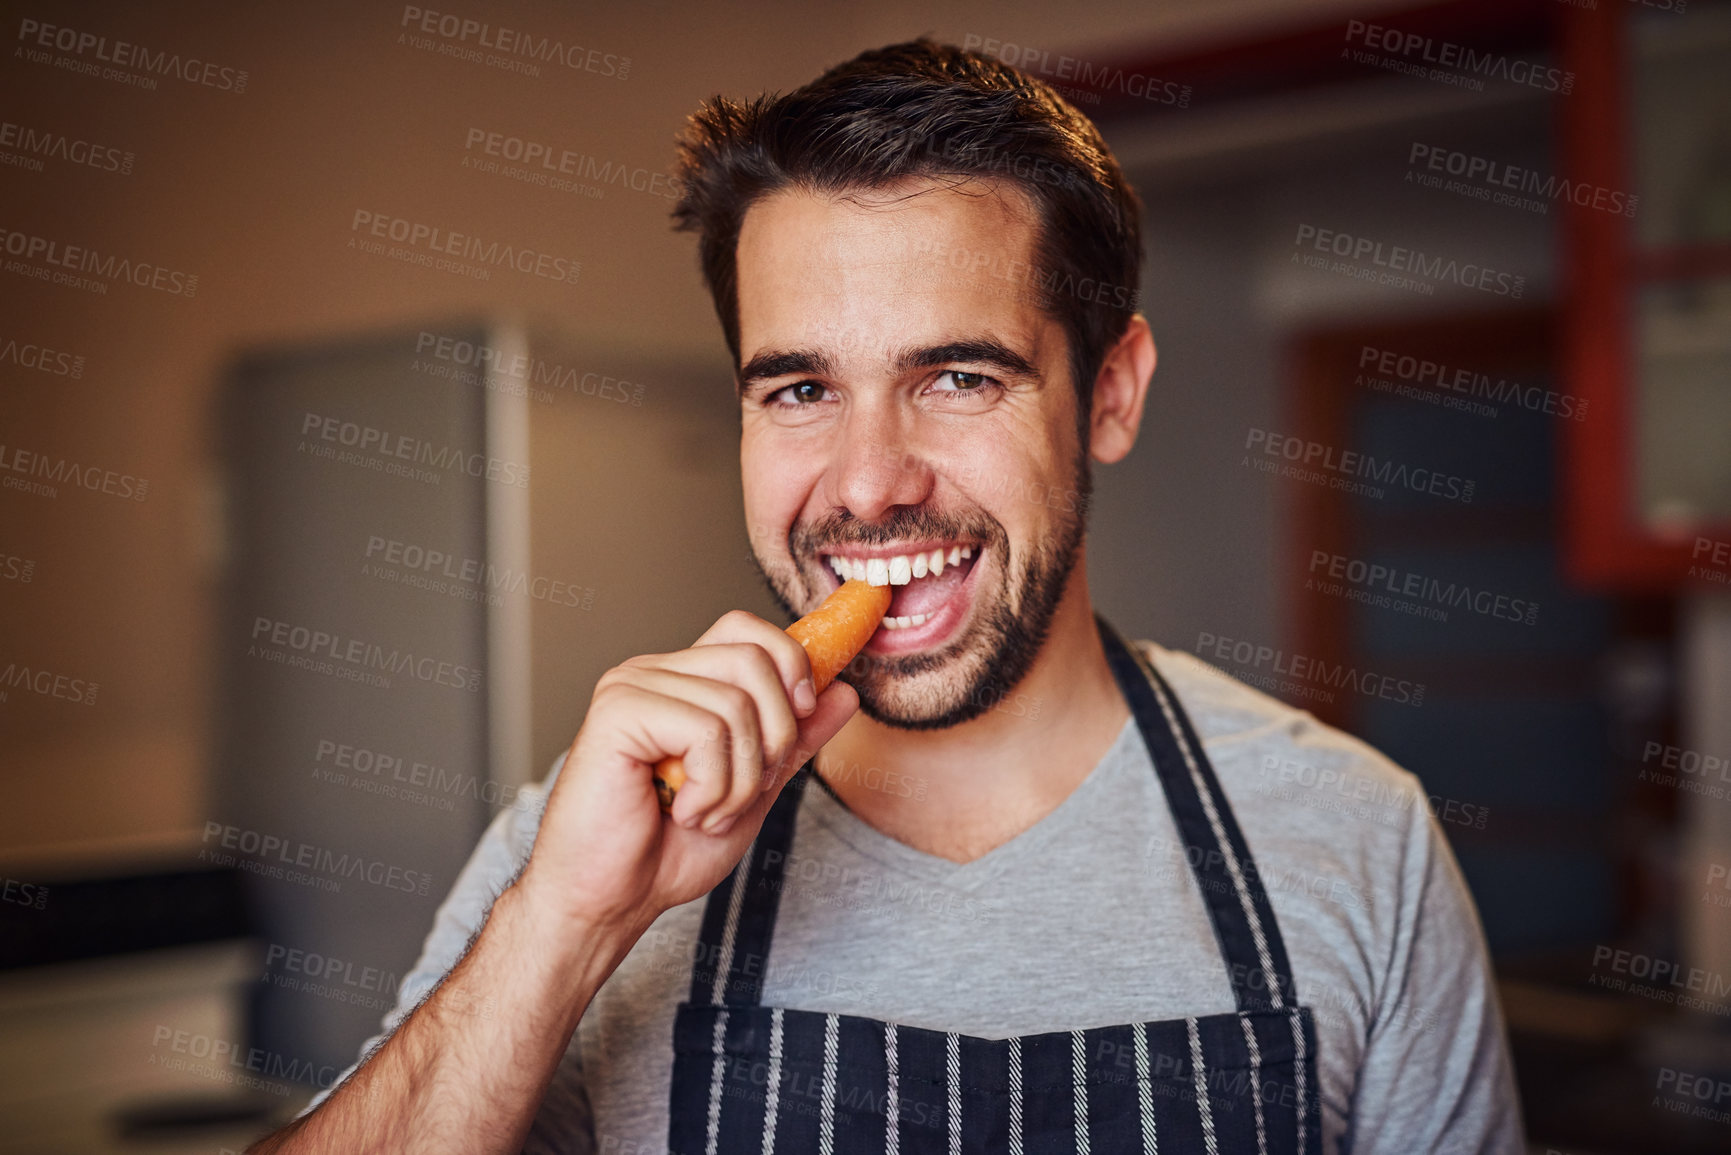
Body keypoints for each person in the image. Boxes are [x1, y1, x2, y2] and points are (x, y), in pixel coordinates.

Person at [252, 39, 1523, 1155]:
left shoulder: (1354, 838)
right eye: (800, 390)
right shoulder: (592, 842)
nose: (867, 484)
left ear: (1112, 393)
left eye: (960, 376)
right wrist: (568, 928)